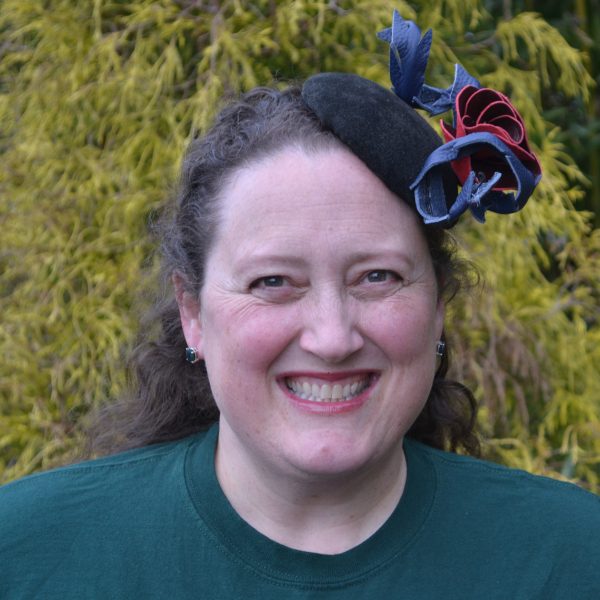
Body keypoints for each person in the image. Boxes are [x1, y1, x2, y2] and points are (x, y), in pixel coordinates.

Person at [1, 10, 598, 599]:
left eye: (377, 277)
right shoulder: (25, 556)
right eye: (273, 282)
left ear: (438, 304)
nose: (332, 338)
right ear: (192, 313)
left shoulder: (572, 559)